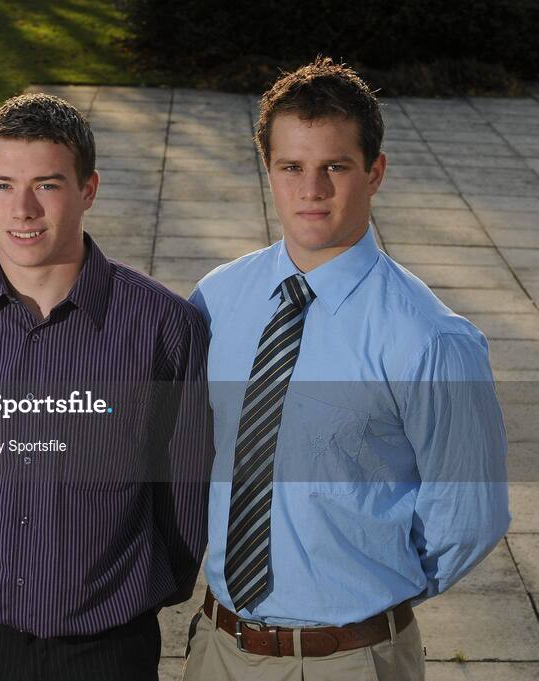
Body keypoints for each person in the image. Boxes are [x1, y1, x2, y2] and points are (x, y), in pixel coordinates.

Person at [183, 56, 510, 680]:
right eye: (292, 168)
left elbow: (470, 517)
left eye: (335, 166)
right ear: (270, 172)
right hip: (220, 652)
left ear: (375, 171)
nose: (312, 190)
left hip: (352, 660)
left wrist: (364, 588)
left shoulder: (430, 338)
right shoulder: (218, 300)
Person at [0, 93, 214, 680]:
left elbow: (183, 491)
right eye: (0, 185)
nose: (22, 209)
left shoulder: (165, 326)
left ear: (87, 190)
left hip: (108, 653)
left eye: (46, 185)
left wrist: (130, 593)